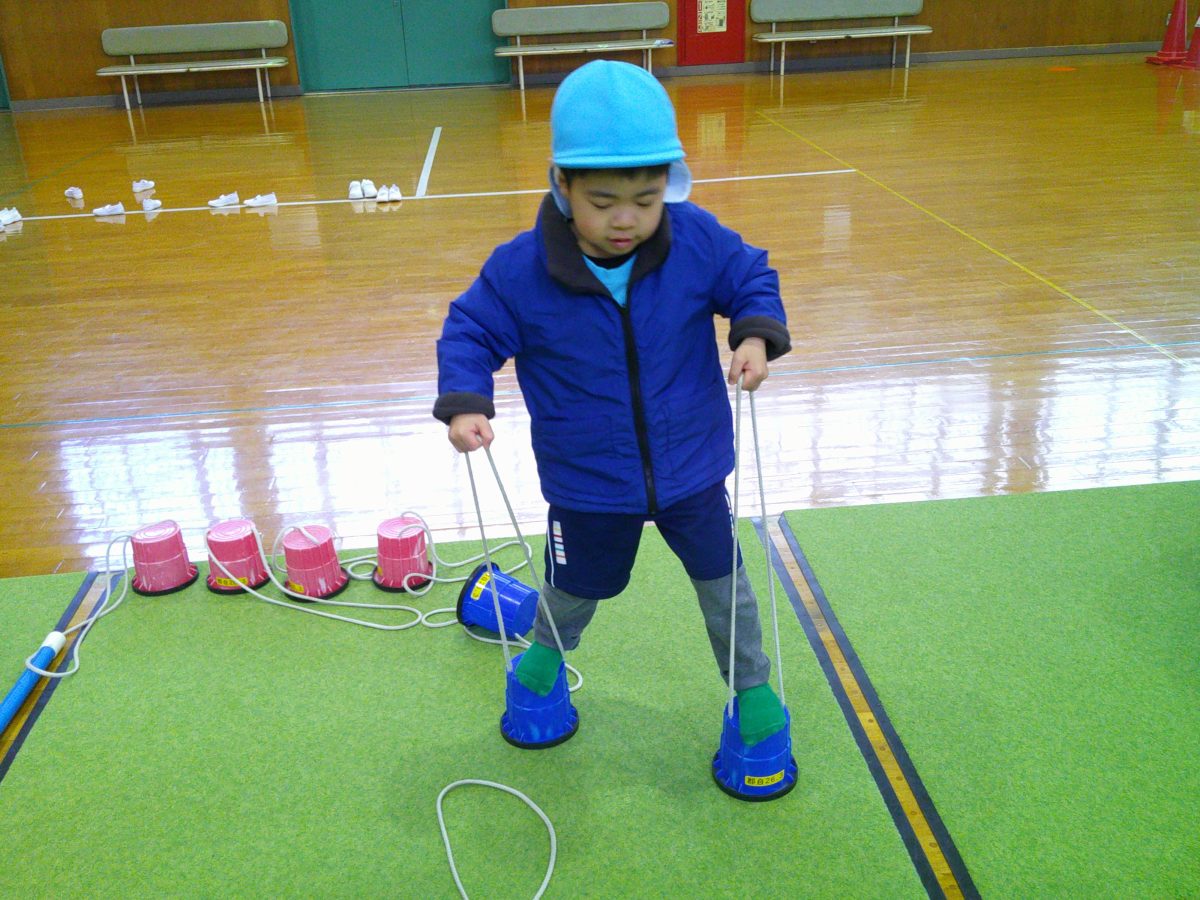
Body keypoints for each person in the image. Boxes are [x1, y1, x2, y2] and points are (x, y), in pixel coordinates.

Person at [434, 60, 791, 747]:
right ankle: (543, 658)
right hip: (588, 479)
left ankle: (751, 688)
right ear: (561, 185)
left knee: (726, 585)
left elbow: (750, 273)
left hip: (691, 466)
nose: (626, 220)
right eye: (602, 202)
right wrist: (465, 402)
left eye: (647, 199)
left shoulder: (694, 239)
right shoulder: (520, 270)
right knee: (575, 586)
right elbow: (469, 330)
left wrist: (753, 333)